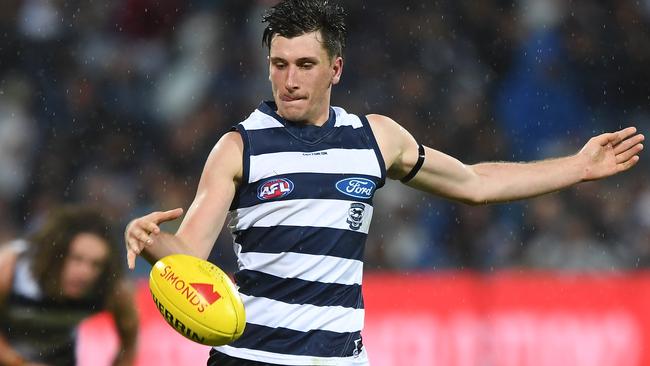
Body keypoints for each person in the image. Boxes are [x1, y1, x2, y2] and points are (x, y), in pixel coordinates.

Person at [124, 1, 644, 365]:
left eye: (306, 65)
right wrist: (151, 244)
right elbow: (187, 262)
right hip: (253, 357)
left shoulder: (377, 139)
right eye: (279, 65)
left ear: (336, 69)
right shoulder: (238, 147)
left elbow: (474, 182)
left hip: (341, 359)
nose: (290, 80)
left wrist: (575, 167)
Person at [0, 205, 138, 366]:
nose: (85, 272)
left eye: (96, 264)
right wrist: (20, 363)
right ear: (55, 254)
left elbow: (129, 341)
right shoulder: (14, 267)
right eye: (76, 259)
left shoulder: (110, 288)